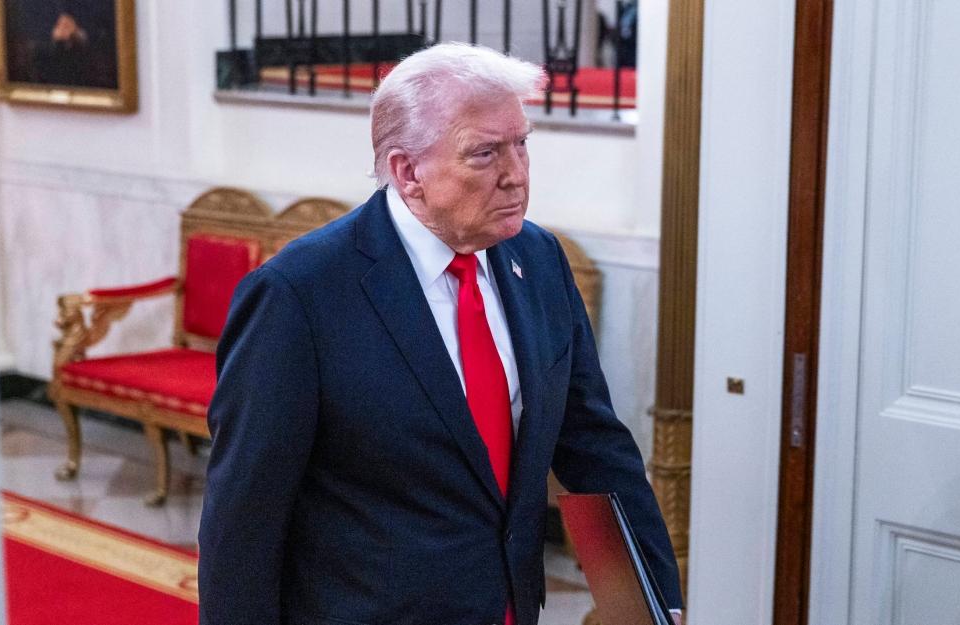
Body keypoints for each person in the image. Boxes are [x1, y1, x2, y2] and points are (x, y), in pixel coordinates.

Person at [198, 43, 683, 625]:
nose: (517, 175)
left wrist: (657, 604)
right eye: (485, 153)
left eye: (522, 143)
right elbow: (244, 521)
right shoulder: (300, 293)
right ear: (408, 172)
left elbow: (594, 445)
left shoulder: (539, 260)